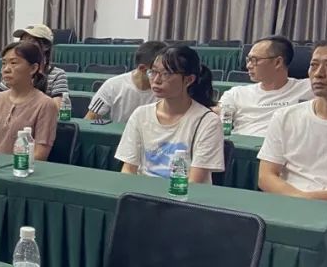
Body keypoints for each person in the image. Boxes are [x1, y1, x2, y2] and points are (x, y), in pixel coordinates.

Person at [115, 45, 224, 183]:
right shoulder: (141, 114)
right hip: (142, 192)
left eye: (166, 74)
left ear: (189, 80)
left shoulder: (207, 121)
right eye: (153, 72)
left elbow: (195, 182)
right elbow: (128, 169)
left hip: (183, 193)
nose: (156, 80)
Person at [257, 40, 327, 200]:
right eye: (314, 65)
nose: (319, 73)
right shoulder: (285, 116)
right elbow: (266, 176)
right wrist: (300, 198)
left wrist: (309, 199)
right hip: (289, 202)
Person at [216, 35, 313, 137]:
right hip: (242, 145)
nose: (248, 66)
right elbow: (218, 118)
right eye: (248, 60)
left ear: (278, 62)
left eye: (254, 60)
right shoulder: (236, 93)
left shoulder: (308, 88)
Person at [0, 40, 57, 159]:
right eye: (4, 63)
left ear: (33, 68)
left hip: (20, 168)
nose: (6, 69)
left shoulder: (45, 104)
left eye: (13, 63)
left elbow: (39, 155)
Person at [84, 40, 168, 123]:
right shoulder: (112, 85)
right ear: (142, 68)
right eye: (156, 72)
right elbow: (89, 119)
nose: (161, 78)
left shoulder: (169, 88)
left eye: (166, 72)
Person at [0, 24, 68, 103]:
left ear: (46, 46)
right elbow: (0, 103)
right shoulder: (14, 71)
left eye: (31, 41)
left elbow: (57, 107)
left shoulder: (57, 75)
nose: (25, 46)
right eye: (22, 41)